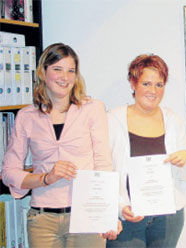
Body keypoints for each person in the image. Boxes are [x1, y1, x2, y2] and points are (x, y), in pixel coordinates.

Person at [1, 43, 120, 247]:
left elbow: (103, 164)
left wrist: (108, 214)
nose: (65, 77)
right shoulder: (26, 116)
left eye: (71, 71)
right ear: (43, 72)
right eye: (57, 69)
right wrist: (46, 178)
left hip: (86, 217)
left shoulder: (93, 109)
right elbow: (8, 172)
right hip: (42, 221)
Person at [106, 54, 186, 248]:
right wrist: (120, 208)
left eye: (159, 85)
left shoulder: (173, 120)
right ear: (133, 83)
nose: (153, 91)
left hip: (167, 218)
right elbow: (103, 169)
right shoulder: (112, 120)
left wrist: (185, 158)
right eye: (146, 84)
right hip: (127, 217)